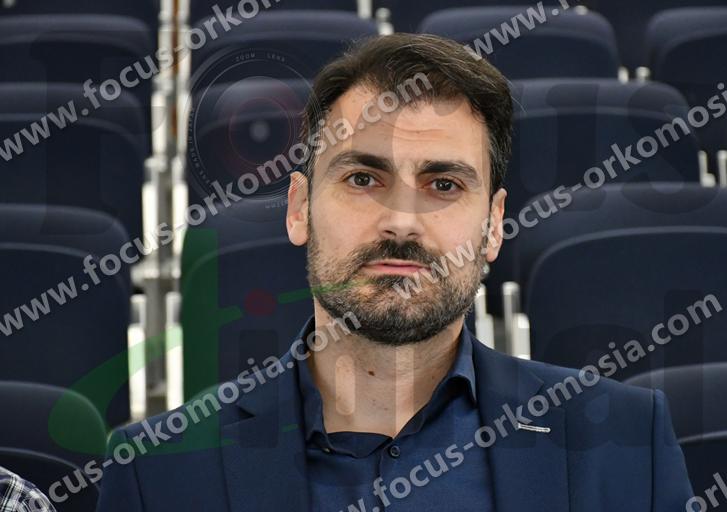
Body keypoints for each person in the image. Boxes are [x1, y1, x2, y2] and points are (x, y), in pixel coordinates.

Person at [96, 33, 695, 511]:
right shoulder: (157, 472)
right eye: (363, 178)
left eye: (444, 184)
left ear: (493, 225)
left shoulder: (629, 448)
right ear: (299, 208)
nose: (401, 223)